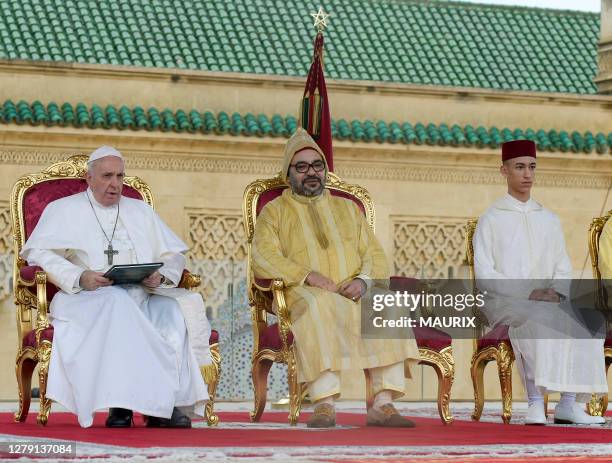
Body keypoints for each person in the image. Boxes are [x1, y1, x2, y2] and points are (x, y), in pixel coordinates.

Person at [21, 146, 212, 428]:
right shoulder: (63, 209)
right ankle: (121, 405)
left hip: (141, 293)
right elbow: (39, 254)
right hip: (86, 298)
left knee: (172, 312)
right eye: (107, 176)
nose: (115, 184)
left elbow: (173, 254)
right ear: (89, 178)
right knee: (116, 303)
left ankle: (164, 404)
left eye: (120, 176)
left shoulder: (140, 210)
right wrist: (79, 275)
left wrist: (160, 275)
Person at [251, 128, 420, 428]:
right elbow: (263, 257)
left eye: (317, 166)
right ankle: (324, 403)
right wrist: (307, 275)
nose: (311, 173)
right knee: (318, 307)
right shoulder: (274, 212)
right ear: (288, 172)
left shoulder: (348, 209)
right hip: (301, 292)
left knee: (388, 304)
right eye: (301, 167)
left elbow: (375, 254)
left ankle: (383, 404)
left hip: (351, 289)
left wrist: (364, 280)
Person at [473, 139, 606, 425]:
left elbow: (562, 264)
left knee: (588, 317)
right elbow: (485, 272)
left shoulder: (549, 219)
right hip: (505, 301)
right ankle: (535, 401)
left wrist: (556, 292)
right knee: (537, 318)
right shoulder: (492, 219)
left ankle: (569, 404)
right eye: (519, 167)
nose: (527, 174)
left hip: (548, 298)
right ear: (504, 170)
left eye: (532, 167)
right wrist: (527, 292)